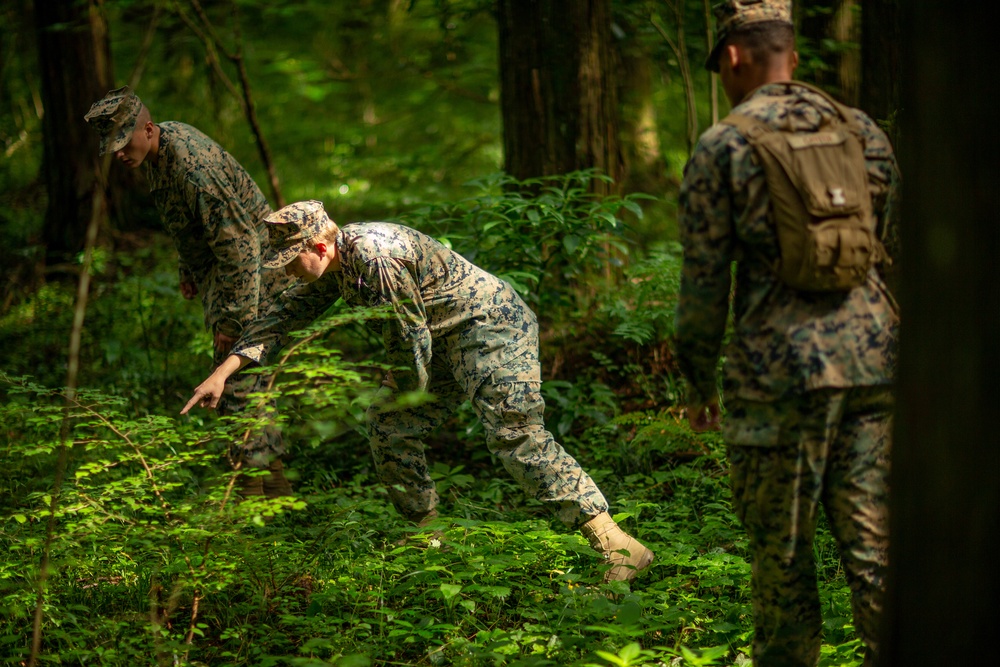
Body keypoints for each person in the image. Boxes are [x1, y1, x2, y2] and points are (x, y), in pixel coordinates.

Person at [181, 200, 654, 583]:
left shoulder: (374, 256)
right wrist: (225, 370)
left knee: (515, 434)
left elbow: (408, 338)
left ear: (320, 247)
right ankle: (433, 545)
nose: (287, 272)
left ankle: (618, 546)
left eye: (290, 262)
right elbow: (283, 316)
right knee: (388, 424)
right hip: (440, 338)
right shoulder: (337, 263)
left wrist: (402, 385)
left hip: (489, 328)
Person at [673, 1, 899, 665]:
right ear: (792, 55)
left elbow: (704, 283)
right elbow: (886, 247)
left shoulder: (723, 147)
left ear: (734, 58)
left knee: (783, 563)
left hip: (780, 379)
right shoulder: (865, 133)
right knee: (879, 553)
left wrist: (697, 377)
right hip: (877, 366)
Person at [84, 86, 295, 497]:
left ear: (147, 128)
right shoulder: (158, 151)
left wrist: (233, 322)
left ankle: (257, 497)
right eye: (113, 147)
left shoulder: (191, 166)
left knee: (234, 382)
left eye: (123, 143)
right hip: (229, 274)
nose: (119, 154)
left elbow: (240, 245)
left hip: (255, 278)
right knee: (243, 385)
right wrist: (189, 267)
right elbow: (190, 222)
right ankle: (273, 492)